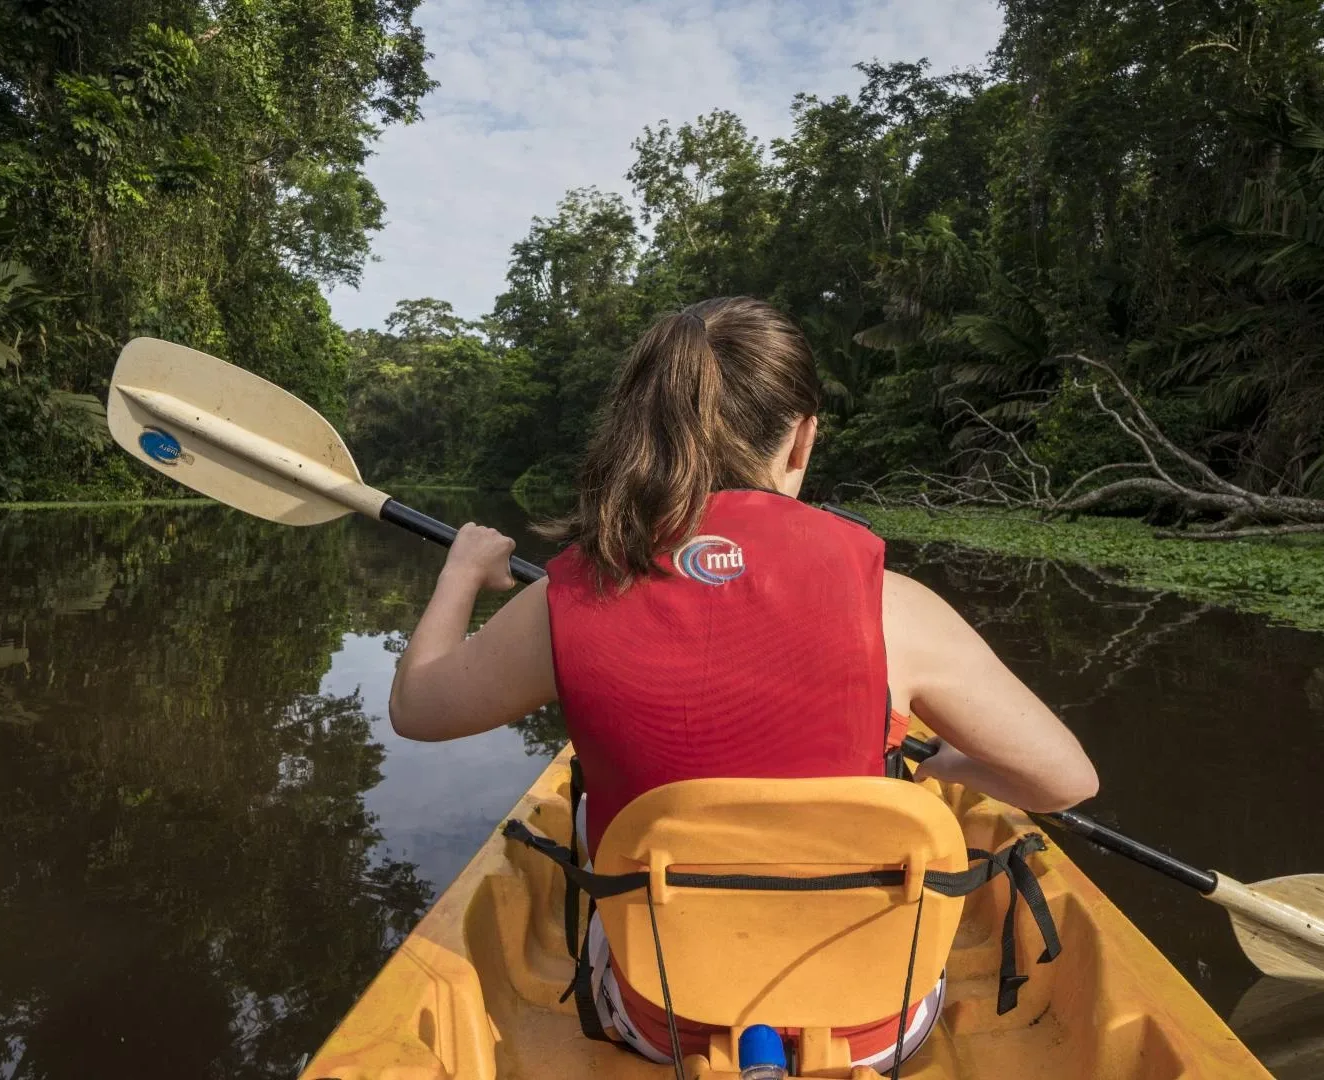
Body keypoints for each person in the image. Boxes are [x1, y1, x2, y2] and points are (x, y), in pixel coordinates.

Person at [388, 296, 1098, 1069]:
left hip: (658, 1018)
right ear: (802, 439)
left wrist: (462, 572)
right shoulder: (893, 606)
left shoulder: (564, 598)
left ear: (638, 432)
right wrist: (942, 767)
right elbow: (1063, 779)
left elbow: (418, 708)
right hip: (876, 1027)